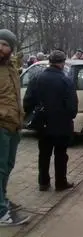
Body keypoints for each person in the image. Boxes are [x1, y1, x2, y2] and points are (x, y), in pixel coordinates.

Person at [23, 50, 77, 191]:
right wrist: (68, 116)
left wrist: (33, 115)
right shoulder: (66, 81)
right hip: (61, 124)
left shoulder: (37, 78)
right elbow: (72, 107)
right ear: (62, 63)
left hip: (43, 123)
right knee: (61, 154)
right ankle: (60, 182)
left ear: (50, 62)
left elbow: (28, 101)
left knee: (44, 154)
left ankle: (43, 182)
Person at [0, 29, 30, 226]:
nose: (1, 48)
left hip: (14, 124)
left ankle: (2, 199)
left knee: (7, 167)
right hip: (1, 124)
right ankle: (1, 212)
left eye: (5, 45)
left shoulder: (10, 67)